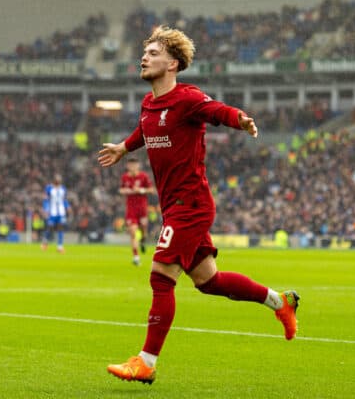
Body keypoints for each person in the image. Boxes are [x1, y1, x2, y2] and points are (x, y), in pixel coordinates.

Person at [98, 26, 300, 384]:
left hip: (189, 204)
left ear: (173, 63)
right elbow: (145, 131)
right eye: (145, 52)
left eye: (154, 53)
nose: (144, 57)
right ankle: (279, 301)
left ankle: (146, 361)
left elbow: (217, 110)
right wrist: (123, 148)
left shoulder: (187, 98)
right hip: (174, 206)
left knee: (161, 277)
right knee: (209, 281)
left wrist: (240, 119)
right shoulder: (149, 103)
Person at [120, 157, 155, 265]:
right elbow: (121, 189)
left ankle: (143, 240)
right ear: (128, 166)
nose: (132, 167)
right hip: (131, 210)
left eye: (134, 164)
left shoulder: (143, 176)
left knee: (144, 230)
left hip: (142, 209)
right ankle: (136, 257)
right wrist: (126, 191)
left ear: (138, 165)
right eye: (130, 165)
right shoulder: (125, 177)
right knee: (133, 232)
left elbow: (151, 189)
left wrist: (141, 190)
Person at [41, 174, 70, 253]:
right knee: (50, 227)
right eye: (57, 179)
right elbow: (45, 199)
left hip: (61, 212)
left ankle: (60, 247)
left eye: (59, 179)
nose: (58, 180)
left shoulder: (63, 188)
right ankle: (45, 241)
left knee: (60, 227)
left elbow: (64, 199)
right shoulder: (49, 188)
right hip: (52, 212)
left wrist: (68, 207)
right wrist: (45, 209)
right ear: (54, 180)